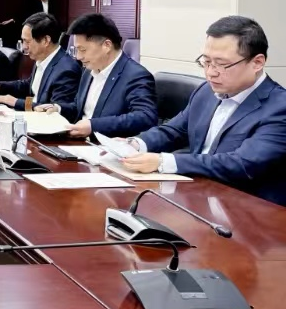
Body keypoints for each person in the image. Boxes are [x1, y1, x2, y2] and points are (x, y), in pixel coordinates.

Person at [122, 16, 286, 206]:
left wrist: (163, 162)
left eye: (222, 64)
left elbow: (242, 164)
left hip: (249, 209)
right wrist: (135, 144)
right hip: (199, 195)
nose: (210, 72)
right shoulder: (206, 91)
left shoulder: (279, 107)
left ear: (257, 62)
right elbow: (175, 130)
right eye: (206, 62)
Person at [37, 13, 157, 138]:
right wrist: (58, 109)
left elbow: (145, 117)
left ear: (107, 45)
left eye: (83, 50)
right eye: (76, 50)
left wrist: (93, 126)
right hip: (78, 142)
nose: (78, 56)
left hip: (106, 145)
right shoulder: (89, 70)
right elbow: (79, 108)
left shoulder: (136, 76)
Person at [0, 12, 81, 110]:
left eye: (27, 41)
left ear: (46, 40)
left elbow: (54, 110)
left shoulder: (66, 70)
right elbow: (29, 85)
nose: (24, 47)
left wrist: (16, 102)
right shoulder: (42, 58)